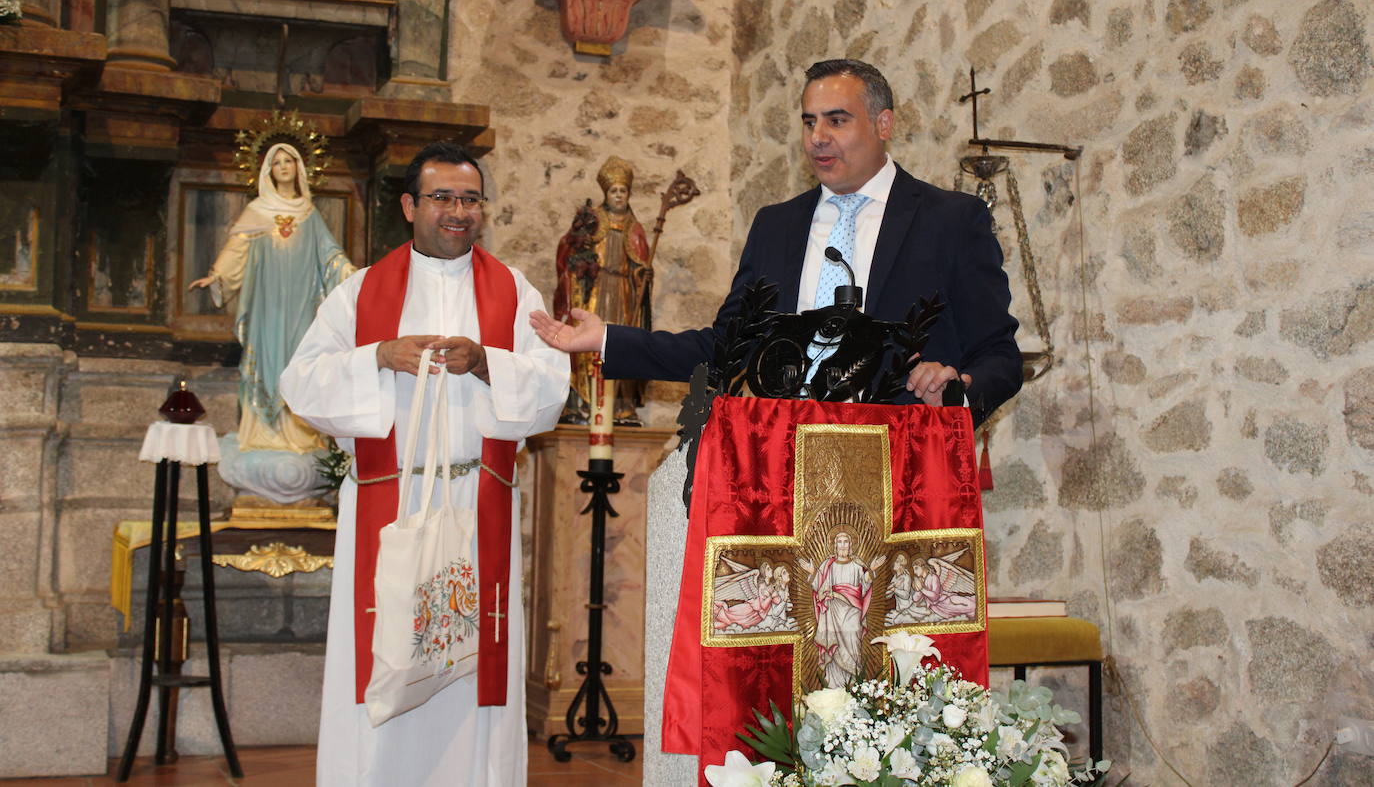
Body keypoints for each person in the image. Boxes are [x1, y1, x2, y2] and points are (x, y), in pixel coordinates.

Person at [279, 142, 568, 786]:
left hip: (475, 505)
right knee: (383, 663)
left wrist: (487, 360)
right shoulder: (359, 293)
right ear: (410, 206)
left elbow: (553, 388)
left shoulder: (515, 292)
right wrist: (378, 355)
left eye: (469, 199)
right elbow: (300, 383)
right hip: (389, 505)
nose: (457, 212)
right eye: (441, 197)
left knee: (473, 683)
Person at [530, 58, 1022, 425]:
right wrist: (608, 338)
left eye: (837, 120)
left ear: (883, 124)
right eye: (809, 122)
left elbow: (999, 354)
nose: (818, 137)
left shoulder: (952, 220)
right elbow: (728, 348)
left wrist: (959, 389)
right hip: (784, 462)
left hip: (907, 463)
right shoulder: (777, 226)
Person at [189, 142, 355, 462]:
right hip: (267, 306)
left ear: (298, 168)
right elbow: (237, 247)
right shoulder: (257, 210)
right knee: (266, 361)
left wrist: (352, 276)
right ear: (268, 170)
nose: (282, 167)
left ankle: (298, 431)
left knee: (300, 361)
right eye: (276, 162)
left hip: (301, 305)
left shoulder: (309, 214)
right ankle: (264, 431)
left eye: (288, 161)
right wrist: (217, 276)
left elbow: (331, 257)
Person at [553, 156, 652, 423]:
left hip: (622, 294)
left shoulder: (635, 227)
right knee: (587, 342)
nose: (619, 196)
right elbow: (569, 250)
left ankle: (621, 406)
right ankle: (582, 403)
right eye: (614, 191)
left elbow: (639, 262)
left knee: (621, 344)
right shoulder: (592, 221)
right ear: (605, 194)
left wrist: (642, 273)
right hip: (593, 292)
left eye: (623, 191)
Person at [797, 531, 880, 689]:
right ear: (835, 546)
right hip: (832, 613)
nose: (843, 545)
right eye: (839, 542)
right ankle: (834, 688)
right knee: (833, 648)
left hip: (852, 613)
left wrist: (871, 571)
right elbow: (818, 587)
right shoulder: (828, 565)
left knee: (852, 644)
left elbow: (865, 588)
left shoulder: (857, 566)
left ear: (850, 545)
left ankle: (853, 687)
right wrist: (811, 571)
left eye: (845, 541)